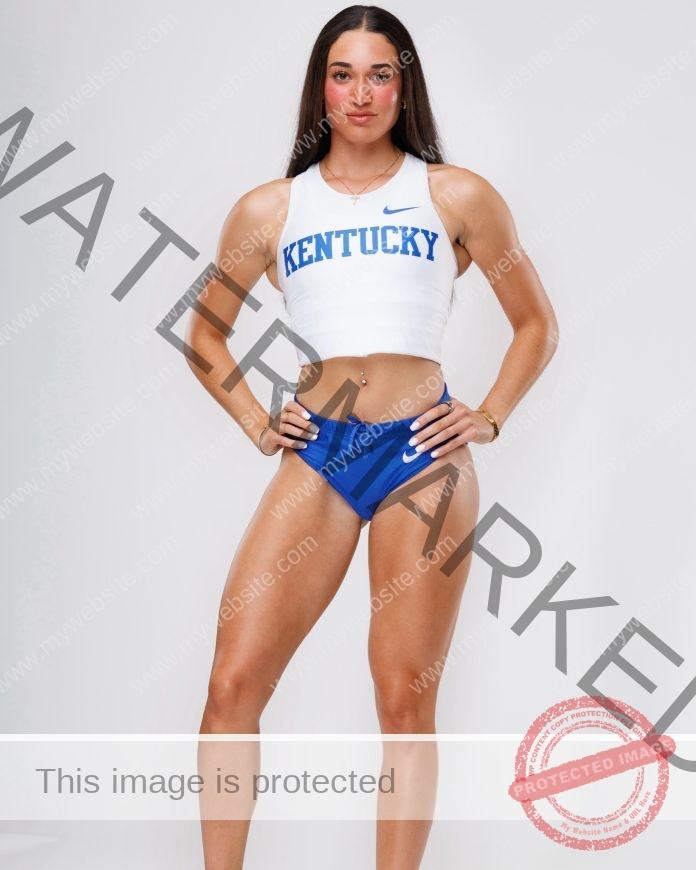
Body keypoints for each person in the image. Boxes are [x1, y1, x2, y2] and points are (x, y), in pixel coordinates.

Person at [186, 5, 558, 868]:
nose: (361, 93)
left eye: (380, 74)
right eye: (344, 74)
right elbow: (206, 331)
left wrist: (489, 413)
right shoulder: (271, 209)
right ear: (322, 85)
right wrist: (254, 420)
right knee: (232, 684)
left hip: (423, 458)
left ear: (405, 85)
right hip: (321, 451)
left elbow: (535, 323)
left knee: (402, 700)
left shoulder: (453, 194)